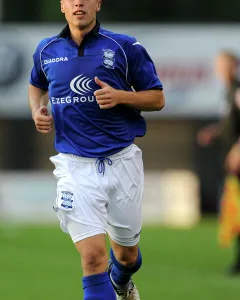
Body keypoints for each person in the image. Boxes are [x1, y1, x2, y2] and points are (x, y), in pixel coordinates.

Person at [28, 0, 165, 299]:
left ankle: (121, 282)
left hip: (122, 161)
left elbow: (157, 98)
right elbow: (36, 85)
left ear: (98, 4)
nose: (79, 2)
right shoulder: (46, 50)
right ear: (63, 6)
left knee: (127, 256)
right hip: (74, 167)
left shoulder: (124, 46)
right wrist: (37, 109)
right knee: (92, 259)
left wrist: (120, 96)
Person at [197, 50, 240, 275]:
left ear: (234, 66)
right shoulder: (228, 92)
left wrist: (237, 149)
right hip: (232, 163)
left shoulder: (237, 90)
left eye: (224, 64)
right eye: (218, 64)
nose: (220, 69)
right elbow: (230, 123)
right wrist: (215, 132)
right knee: (235, 213)